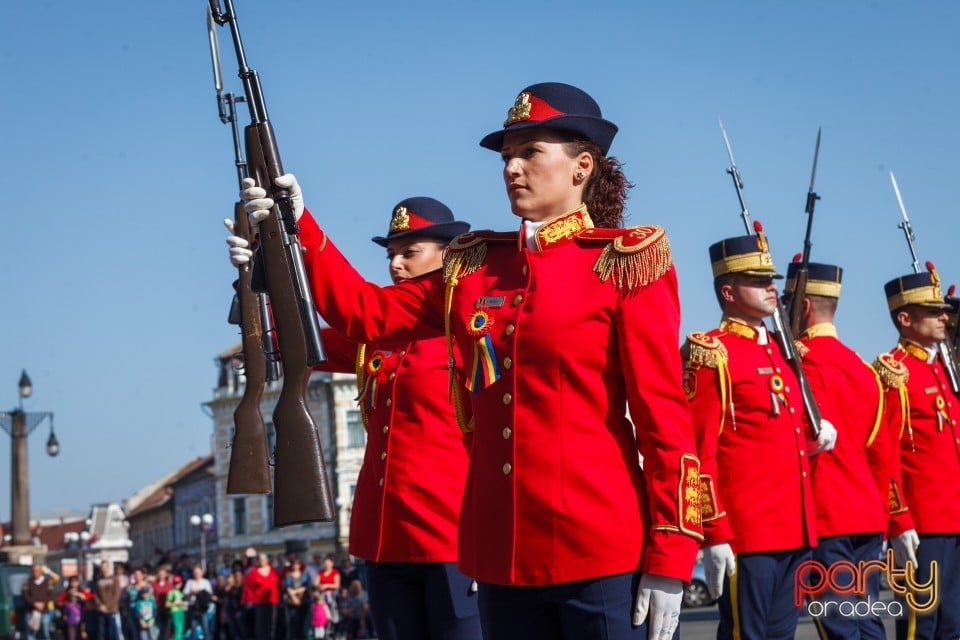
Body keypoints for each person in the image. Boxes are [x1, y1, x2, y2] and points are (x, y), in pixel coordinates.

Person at [233, 81, 703, 639]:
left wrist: (673, 551)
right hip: (497, 552)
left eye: (530, 152)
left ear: (582, 165)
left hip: (598, 547)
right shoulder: (473, 269)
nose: (512, 168)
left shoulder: (624, 262)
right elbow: (364, 315)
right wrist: (296, 227)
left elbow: (663, 418)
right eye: (506, 157)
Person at [681, 230, 836, 640]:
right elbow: (700, 451)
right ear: (728, 291)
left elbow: (769, 446)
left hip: (796, 529)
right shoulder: (712, 353)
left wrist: (812, 444)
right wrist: (713, 532)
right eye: (757, 279)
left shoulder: (785, 356)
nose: (771, 286)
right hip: (747, 534)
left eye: (770, 278)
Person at [783, 261, 890, 640]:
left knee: (839, 629)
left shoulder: (796, 365)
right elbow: (881, 456)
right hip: (868, 518)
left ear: (804, 308)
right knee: (868, 622)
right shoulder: (866, 371)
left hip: (826, 518)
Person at [873, 264, 960, 639]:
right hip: (922, 523)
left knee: (954, 623)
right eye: (933, 311)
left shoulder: (944, 369)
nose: (944, 317)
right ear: (906, 318)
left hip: (954, 518)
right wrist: (899, 518)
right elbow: (884, 454)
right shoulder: (896, 374)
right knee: (920, 626)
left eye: (943, 310)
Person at [241, 554, 280, 640]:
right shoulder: (253, 572)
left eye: (264, 559)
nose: (262, 561)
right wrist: (248, 600)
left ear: (267, 560)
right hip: (259, 602)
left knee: (272, 623)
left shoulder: (273, 570)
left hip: (272, 601)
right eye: (260, 559)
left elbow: (279, 584)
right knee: (260, 624)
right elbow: (248, 587)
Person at [22, 563, 58, 640]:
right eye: (34, 571)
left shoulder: (47, 582)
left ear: (41, 572)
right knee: (31, 635)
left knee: (45, 634)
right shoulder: (27, 583)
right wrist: (35, 603)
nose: (35, 573)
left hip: (44, 611)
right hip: (31, 612)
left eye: (38, 571)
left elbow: (51, 595)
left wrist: (43, 603)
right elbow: (25, 596)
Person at [94, 561, 124, 640]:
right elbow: (96, 595)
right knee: (101, 632)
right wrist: (100, 605)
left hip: (112, 609)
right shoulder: (98, 580)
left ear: (108, 567)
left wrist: (107, 606)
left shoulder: (114, 579)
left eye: (105, 567)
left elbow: (117, 594)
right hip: (101, 610)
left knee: (112, 632)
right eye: (102, 567)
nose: (103, 569)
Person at [183, 566, 213, 640]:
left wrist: (200, 593)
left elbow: (209, 593)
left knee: (205, 627)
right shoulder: (190, 582)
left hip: (202, 608)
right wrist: (191, 592)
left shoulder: (205, 582)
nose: (197, 574)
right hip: (193, 607)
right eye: (195, 573)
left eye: (198, 573)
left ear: (201, 573)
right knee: (193, 627)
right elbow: (185, 592)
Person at [282, 559, 309, 640]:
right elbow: (287, 587)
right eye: (293, 564)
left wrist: (296, 592)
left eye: (297, 564)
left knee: (302, 621)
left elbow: (305, 586)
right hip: (291, 601)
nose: (295, 566)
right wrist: (294, 597)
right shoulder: (288, 575)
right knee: (292, 621)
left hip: (302, 601)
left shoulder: (303, 575)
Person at [57, 575, 87, 640]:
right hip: (70, 619)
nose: (74, 583)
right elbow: (59, 603)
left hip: (81, 619)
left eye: (75, 582)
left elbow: (87, 600)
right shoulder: (65, 593)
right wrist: (68, 602)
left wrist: (80, 595)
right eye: (72, 582)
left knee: (81, 636)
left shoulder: (81, 591)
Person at [153, 566, 174, 640]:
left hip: (166, 610)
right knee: (157, 630)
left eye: (163, 574)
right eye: (160, 574)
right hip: (156, 610)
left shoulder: (169, 585)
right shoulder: (153, 584)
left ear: (166, 575)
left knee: (165, 629)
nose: (161, 575)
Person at [166, 576, 188, 640]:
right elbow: (167, 604)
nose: (176, 585)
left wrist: (183, 604)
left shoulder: (181, 593)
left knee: (181, 629)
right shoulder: (171, 593)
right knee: (177, 629)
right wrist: (176, 603)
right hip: (174, 612)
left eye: (178, 583)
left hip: (181, 611)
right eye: (175, 583)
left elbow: (183, 603)